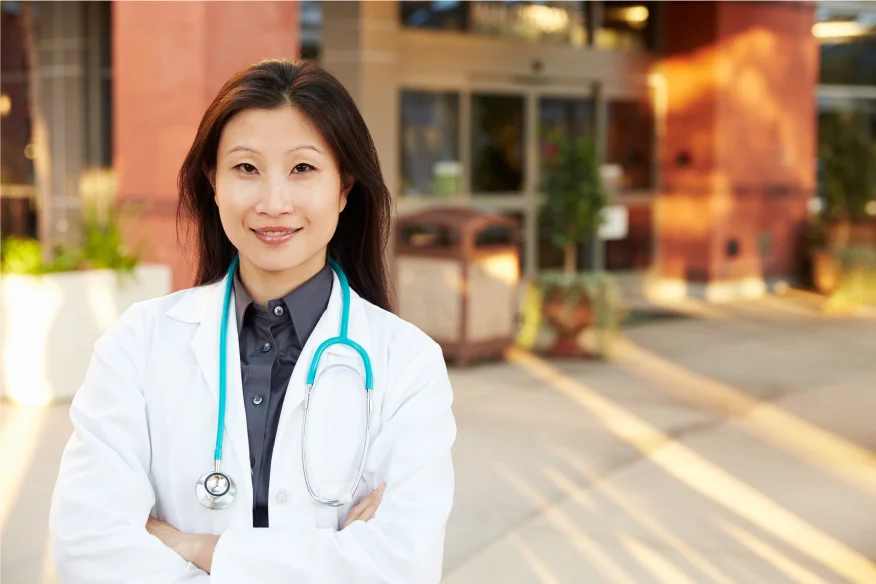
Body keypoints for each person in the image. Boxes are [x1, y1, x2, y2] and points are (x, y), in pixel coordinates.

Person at [49, 59, 456, 583]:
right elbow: (88, 549)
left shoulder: (407, 363)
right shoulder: (138, 343)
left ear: (345, 187)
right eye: (246, 168)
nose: (273, 202)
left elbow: (401, 567)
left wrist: (194, 545)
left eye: (303, 169)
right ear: (213, 182)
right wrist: (330, 556)